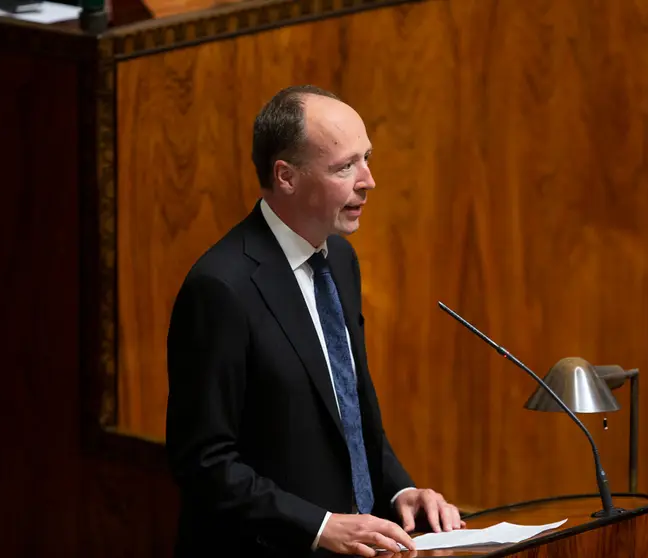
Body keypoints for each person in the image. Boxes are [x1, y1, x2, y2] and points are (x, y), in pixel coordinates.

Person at [166, 85, 465, 558]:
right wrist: (319, 526)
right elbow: (204, 462)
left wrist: (399, 493)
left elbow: (350, 415)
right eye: (345, 167)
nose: (368, 180)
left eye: (366, 158)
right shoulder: (221, 288)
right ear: (285, 176)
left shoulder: (339, 261)